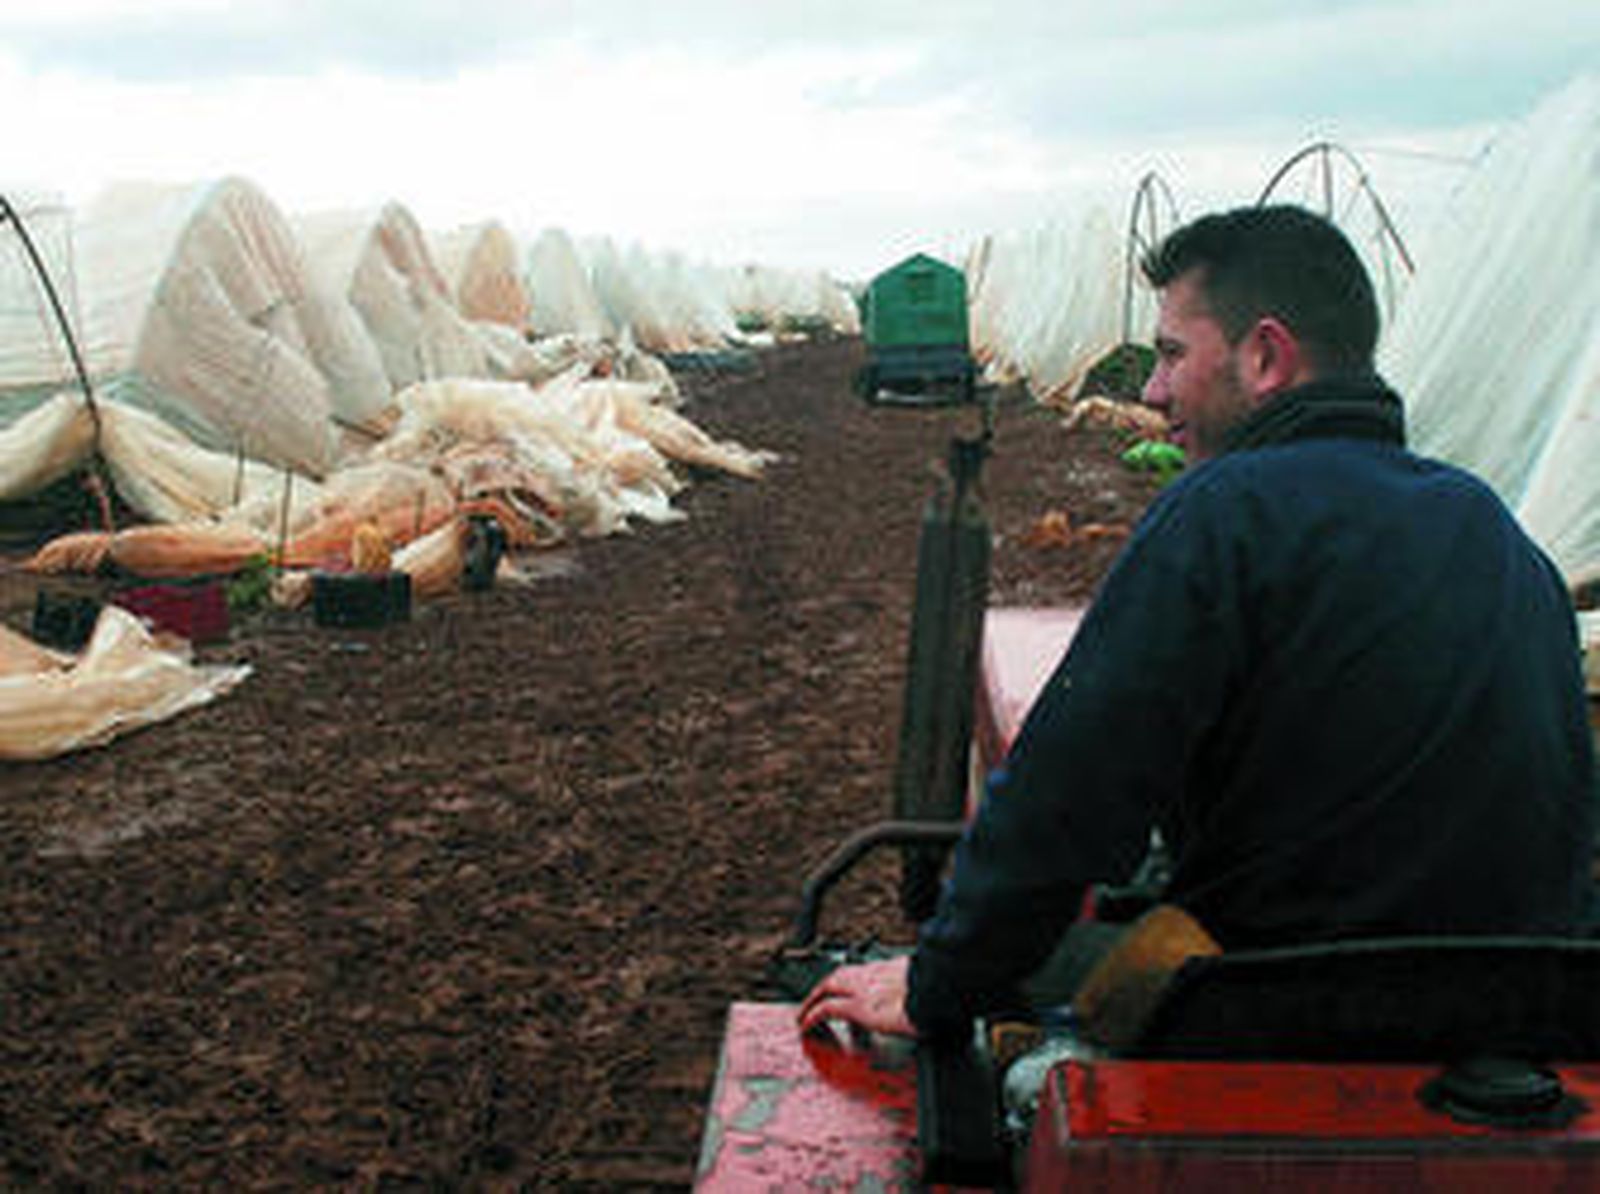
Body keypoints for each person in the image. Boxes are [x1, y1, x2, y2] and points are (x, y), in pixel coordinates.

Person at [799, 204, 1597, 1043]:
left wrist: (938, 984)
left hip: (1287, 1013)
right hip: (1529, 1015)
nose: (1150, 389)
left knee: (1026, 978)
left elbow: (1065, 802)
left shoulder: (1223, 513)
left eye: (1173, 354)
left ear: (1264, 357)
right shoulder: (1503, 536)